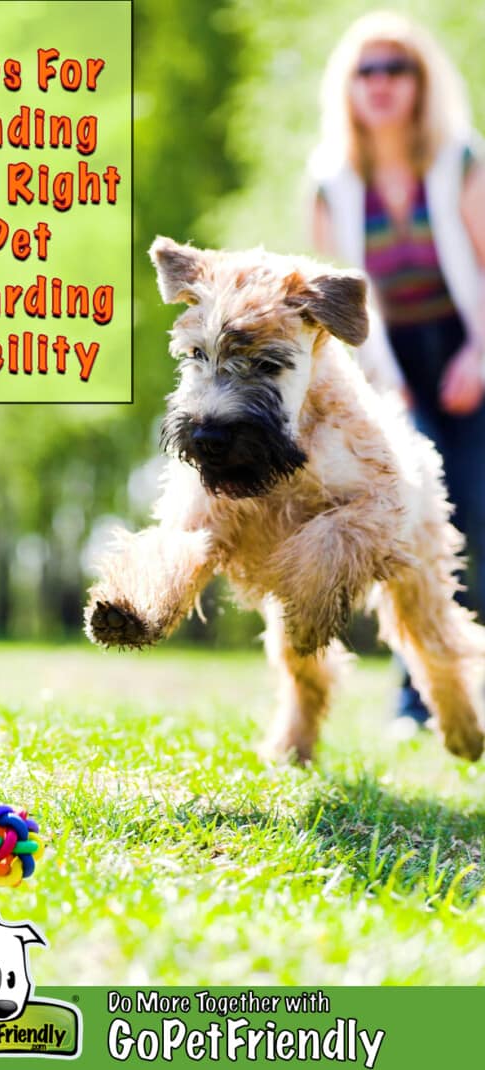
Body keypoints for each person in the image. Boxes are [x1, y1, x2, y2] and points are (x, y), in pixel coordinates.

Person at [309, 10, 485, 730]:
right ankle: (415, 702)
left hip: (467, 346)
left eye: (396, 69)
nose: (381, 84)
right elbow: (335, 304)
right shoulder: (331, 184)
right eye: (366, 71)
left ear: (421, 83)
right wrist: (383, 382)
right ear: (348, 87)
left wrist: (479, 353)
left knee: (475, 513)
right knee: (408, 523)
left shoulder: (461, 160)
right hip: (387, 362)